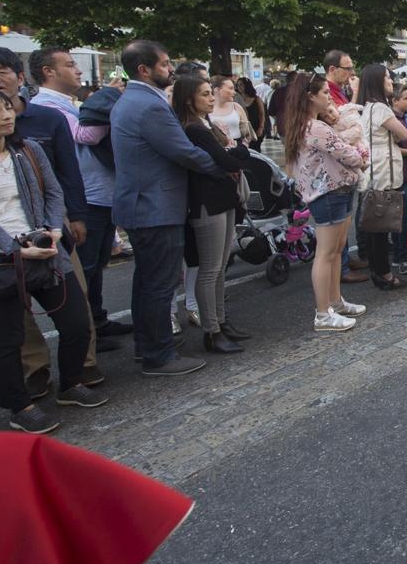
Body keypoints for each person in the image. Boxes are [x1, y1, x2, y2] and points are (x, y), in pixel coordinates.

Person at [0, 87, 106, 433]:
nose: (5, 115)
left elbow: (53, 189)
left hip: (45, 250)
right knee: (7, 340)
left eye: (7, 108)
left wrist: (52, 227)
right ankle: (20, 406)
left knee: (77, 321)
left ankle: (72, 382)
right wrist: (14, 247)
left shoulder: (26, 149)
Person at [112, 40, 226, 377]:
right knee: (159, 285)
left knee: (148, 282)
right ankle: (158, 355)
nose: (170, 69)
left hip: (145, 203)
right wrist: (224, 164)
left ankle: (148, 347)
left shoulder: (134, 99)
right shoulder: (148, 105)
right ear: (143, 69)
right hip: (154, 206)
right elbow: (183, 152)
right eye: (164, 64)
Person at [27, 48, 133, 348]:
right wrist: (107, 102)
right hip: (84, 199)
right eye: (70, 65)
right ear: (48, 71)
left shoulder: (69, 104)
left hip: (99, 194)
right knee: (84, 267)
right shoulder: (47, 107)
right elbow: (86, 136)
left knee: (96, 263)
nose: (77, 70)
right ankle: (86, 332)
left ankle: (97, 320)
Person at [284, 73, 368, 330]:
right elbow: (347, 152)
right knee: (326, 253)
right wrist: (361, 156)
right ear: (310, 96)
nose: (329, 98)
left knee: (335, 250)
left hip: (334, 191)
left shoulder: (307, 125)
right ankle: (323, 313)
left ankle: (335, 301)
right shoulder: (315, 127)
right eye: (324, 93)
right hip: (328, 194)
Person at [172, 75, 250, 354]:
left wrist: (235, 154)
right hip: (207, 201)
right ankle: (211, 330)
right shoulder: (194, 129)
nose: (210, 98)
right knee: (211, 269)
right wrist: (238, 152)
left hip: (221, 197)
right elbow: (229, 159)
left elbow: (230, 157)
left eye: (209, 93)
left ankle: (221, 321)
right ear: (188, 100)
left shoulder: (204, 125)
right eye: (204, 94)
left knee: (219, 267)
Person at [355, 64, 407, 290]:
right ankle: (384, 274)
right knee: (381, 226)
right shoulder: (381, 108)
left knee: (374, 226)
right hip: (384, 171)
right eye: (387, 78)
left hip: (372, 169)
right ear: (378, 81)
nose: (391, 82)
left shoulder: (366, 107)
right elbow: (404, 134)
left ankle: (379, 270)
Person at [389, 82, 407, 276]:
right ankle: (400, 258)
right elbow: (393, 148)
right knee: (402, 218)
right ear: (395, 100)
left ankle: (404, 254)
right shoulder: (392, 120)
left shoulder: (402, 118)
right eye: (406, 98)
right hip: (399, 175)